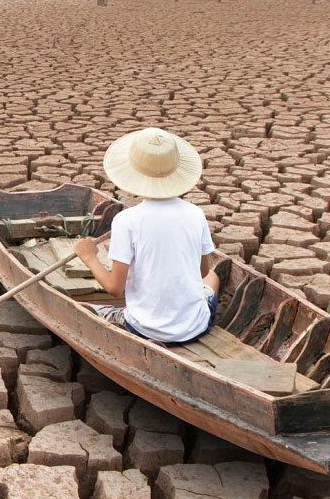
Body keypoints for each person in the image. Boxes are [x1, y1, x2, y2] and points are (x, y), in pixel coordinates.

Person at [73, 127, 226, 344]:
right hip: (195, 327)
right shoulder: (196, 214)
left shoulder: (126, 220)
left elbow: (115, 289)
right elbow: (202, 272)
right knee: (213, 277)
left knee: (83, 309)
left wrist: (89, 257)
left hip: (144, 329)